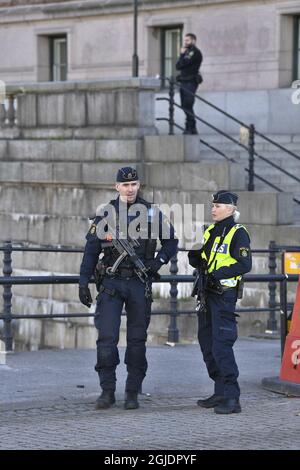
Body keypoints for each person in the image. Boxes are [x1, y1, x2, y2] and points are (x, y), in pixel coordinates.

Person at [79, 167, 178, 410]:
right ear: (117, 187)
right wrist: (83, 282)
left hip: (138, 284)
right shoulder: (105, 215)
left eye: (134, 184)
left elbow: (171, 242)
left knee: (136, 341)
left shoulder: (152, 213)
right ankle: (107, 390)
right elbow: (91, 251)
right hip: (111, 285)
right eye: (125, 185)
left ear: (139, 185)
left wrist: (158, 262)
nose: (130, 189)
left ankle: (132, 391)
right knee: (107, 339)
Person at [188, 190, 252, 414]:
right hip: (207, 293)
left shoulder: (238, 233)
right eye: (213, 205)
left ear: (231, 208)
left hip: (224, 295)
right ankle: (220, 391)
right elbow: (207, 259)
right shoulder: (211, 232)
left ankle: (232, 398)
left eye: (218, 205)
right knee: (207, 343)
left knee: (221, 345)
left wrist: (218, 273)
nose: (213, 209)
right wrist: (196, 258)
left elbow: (244, 265)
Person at [175, 33, 203, 135]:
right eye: (185, 40)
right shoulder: (187, 52)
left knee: (188, 103)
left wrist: (182, 55)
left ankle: (190, 126)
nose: (185, 42)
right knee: (184, 105)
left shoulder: (194, 52)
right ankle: (191, 127)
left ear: (193, 41)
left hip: (190, 82)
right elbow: (177, 66)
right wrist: (182, 55)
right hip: (184, 81)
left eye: (187, 40)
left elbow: (181, 64)